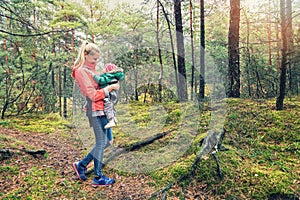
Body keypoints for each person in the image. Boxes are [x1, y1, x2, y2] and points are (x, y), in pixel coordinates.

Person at [71, 41, 119, 187]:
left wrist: (110, 74)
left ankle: (82, 164)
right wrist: (110, 88)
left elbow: (99, 82)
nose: (96, 62)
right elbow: (91, 94)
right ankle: (98, 177)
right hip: (94, 110)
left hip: (103, 109)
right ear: (85, 55)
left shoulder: (91, 70)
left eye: (98, 59)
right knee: (101, 142)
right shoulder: (80, 71)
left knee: (108, 141)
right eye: (94, 59)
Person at [93, 63, 124, 130]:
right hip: (114, 94)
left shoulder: (108, 76)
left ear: (108, 70)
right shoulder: (114, 76)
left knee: (108, 106)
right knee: (111, 106)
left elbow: (101, 81)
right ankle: (114, 118)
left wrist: (94, 76)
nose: (103, 69)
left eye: (104, 68)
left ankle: (111, 120)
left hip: (109, 94)